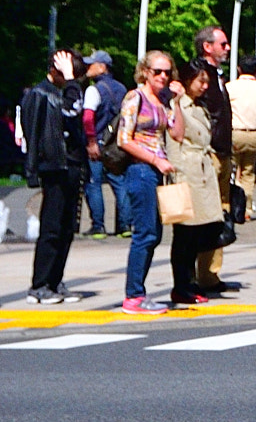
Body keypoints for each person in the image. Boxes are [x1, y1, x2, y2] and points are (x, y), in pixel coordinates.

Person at [20, 50, 89, 304]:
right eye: (71, 73)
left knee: (67, 227)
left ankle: (55, 279)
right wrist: (33, 168)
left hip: (71, 165)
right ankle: (40, 284)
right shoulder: (40, 94)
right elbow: (69, 111)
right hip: (54, 165)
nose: (75, 80)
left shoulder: (62, 92)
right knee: (52, 226)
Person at [117, 51, 183, 314]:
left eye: (167, 72)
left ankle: (138, 293)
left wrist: (177, 102)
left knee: (153, 234)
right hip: (140, 170)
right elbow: (124, 138)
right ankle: (134, 295)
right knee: (145, 234)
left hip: (156, 172)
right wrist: (156, 161)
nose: (163, 77)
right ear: (145, 72)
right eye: (157, 72)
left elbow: (177, 133)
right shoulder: (136, 97)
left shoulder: (163, 101)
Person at [165, 61, 228, 306]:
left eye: (206, 82)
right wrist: (178, 102)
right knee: (184, 234)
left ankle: (190, 282)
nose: (204, 86)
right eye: (199, 81)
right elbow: (175, 138)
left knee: (200, 231)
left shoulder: (199, 108)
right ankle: (182, 284)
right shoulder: (176, 105)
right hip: (185, 172)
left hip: (201, 171)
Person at [188, 25, 238, 294]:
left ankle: (210, 274)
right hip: (207, 153)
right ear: (207, 46)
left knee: (220, 212)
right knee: (205, 214)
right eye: (223, 44)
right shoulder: (198, 75)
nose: (227, 48)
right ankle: (196, 274)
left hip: (222, 151)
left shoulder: (217, 76)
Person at [80, 51, 129, 238]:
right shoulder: (122, 89)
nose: (88, 68)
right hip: (116, 145)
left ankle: (98, 226)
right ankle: (124, 226)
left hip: (98, 143)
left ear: (102, 67)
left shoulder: (94, 90)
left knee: (94, 183)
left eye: (91, 64)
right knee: (119, 182)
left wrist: (91, 140)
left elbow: (87, 118)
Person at [226, 56, 256, 225]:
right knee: (248, 173)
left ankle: (228, 207)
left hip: (233, 133)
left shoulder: (230, 88)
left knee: (229, 172)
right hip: (254, 134)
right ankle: (245, 210)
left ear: (239, 69)